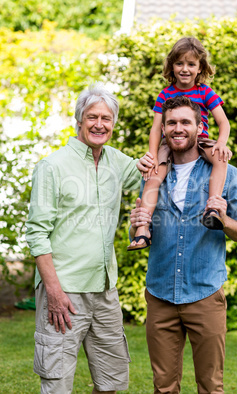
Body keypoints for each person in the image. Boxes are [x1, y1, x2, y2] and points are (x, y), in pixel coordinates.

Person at [130, 95, 237, 393]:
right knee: (164, 387)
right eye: (171, 122)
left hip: (205, 295)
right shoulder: (153, 175)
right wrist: (137, 222)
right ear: (163, 129)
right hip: (160, 295)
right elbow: (137, 235)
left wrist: (225, 221)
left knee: (211, 386)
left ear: (200, 127)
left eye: (185, 122)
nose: (178, 128)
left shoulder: (227, 173)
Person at [25, 84, 142, 394]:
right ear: (79, 119)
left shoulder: (117, 162)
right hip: (65, 291)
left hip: (105, 290)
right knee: (57, 382)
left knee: (111, 381)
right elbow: (36, 233)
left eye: (106, 118)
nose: (99, 124)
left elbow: (153, 173)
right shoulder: (52, 167)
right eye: (92, 117)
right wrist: (53, 289)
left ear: (114, 124)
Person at [128, 36, 232, 251]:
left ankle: (213, 207)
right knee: (154, 175)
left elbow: (223, 122)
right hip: (170, 143)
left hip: (201, 141)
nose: (185, 69)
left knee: (221, 159)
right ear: (171, 66)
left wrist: (221, 143)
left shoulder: (205, 92)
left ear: (200, 67)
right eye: (179, 63)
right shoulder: (165, 94)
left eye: (191, 64)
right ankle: (143, 228)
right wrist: (153, 155)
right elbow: (157, 128)